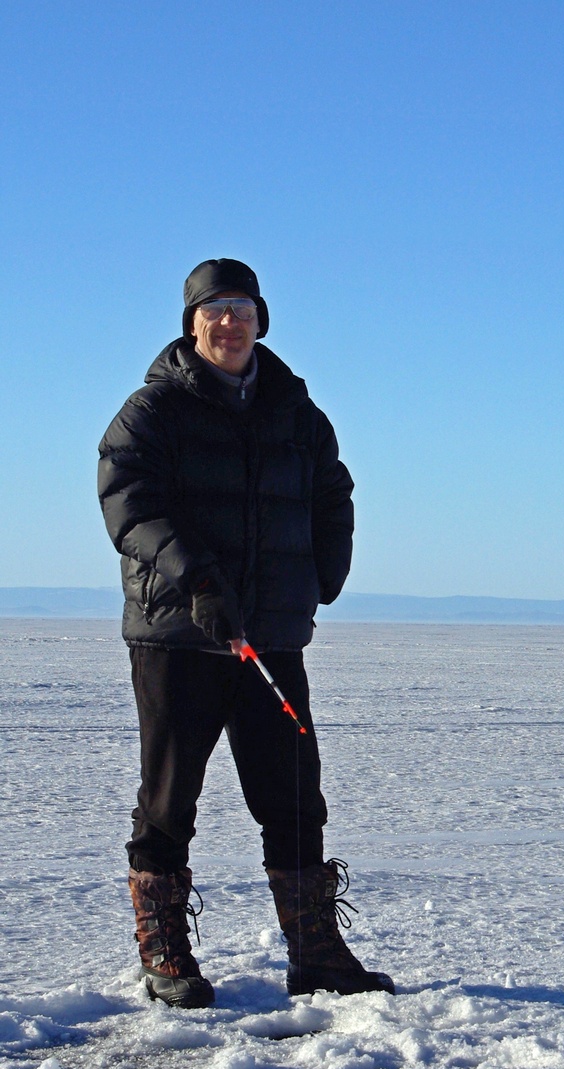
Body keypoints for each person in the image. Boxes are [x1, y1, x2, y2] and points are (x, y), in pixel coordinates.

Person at [98, 258, 394, 1008]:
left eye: (242, 309)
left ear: (261, 320)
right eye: (214, 309)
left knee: (294, 793)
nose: (229, 323)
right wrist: (197, 578)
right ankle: (165, 951)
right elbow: (128, 502)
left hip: (270, 636)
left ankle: (315, 951)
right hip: (177, 636)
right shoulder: (153, 411)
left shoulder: (294, 411)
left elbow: (333, 491)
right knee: (170, 799)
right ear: (191, 322)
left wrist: (324, 571)